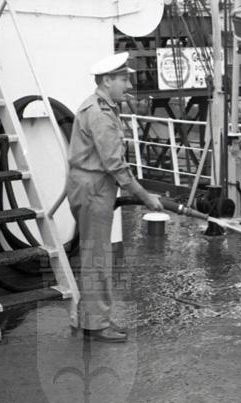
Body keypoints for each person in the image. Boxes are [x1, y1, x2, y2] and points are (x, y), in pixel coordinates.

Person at [66, 52, 163, 343]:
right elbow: (115, 166)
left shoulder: (104, 108)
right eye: (123, 79)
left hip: (93, 186)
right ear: (107, 81)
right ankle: (96, 325)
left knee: (95, 255)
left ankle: (95, 317)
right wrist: (146, 197)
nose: (129, 85)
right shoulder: (99, 114)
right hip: (94, 189)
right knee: (96, 258)